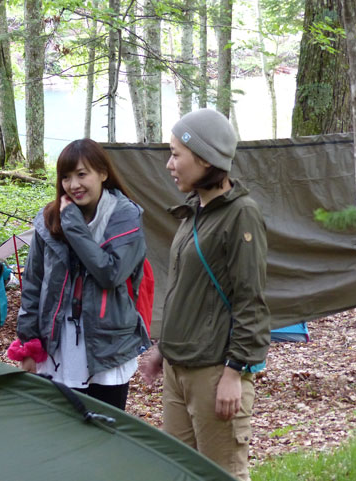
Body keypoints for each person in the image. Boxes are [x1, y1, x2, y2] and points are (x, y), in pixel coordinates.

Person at [138, 109, 270, 480]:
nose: (169, 165)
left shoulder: (241, 214)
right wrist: (164, 348)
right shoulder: (194, 212)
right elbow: (188, 292)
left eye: (176, 154)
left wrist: (235, 372)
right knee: (180, 472)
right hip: (178, 367)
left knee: (222, 474)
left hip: (215, 371)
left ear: (205, 158)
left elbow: (250, 300)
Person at [8, 139, 150, 411]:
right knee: (59, 425)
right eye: (66, 177)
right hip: (58, 345)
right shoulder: (50, 219)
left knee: (104, 425)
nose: (73, 185)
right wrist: (28, 342)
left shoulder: (125, 218)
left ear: (103, 173)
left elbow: (110, 274)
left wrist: (73, 225)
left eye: (82, 174)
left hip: (108, 346)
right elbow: (34, 284)